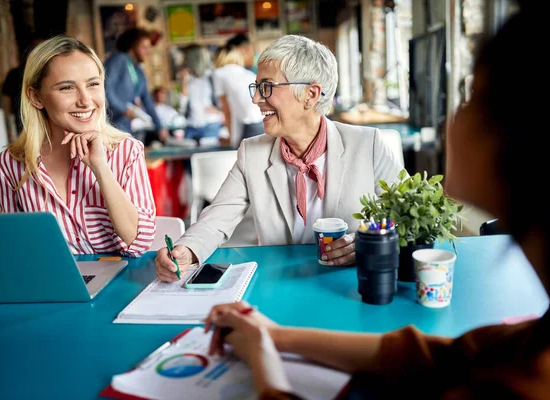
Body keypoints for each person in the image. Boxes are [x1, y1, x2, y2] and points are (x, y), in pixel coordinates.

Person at [203, 4, 550, 398]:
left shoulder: (527, 378)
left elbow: (406, 222)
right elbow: (443, 356)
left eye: (474, 100)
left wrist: (263, 356)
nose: (455, 117)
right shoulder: (524, 344)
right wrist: (277, 336)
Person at [154, 35, 403, 281]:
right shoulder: (252, 152)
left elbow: (410, 217)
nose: (255, 99)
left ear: (311, 94)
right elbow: (217, 218)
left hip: (352, 284)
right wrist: (186, 250)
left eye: (267, 87)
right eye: (257, 87)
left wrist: (367, 241)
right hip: (282, 283)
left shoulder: (367, 144)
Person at [0, 35, 157, 258]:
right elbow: (11, 250)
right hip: (50, 288)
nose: (86, 100)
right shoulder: (11, 163)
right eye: (67, 88)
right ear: (36, 97)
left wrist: (100, 167)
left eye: (93, 84)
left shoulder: (127, 151)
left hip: (121, 287)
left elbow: (139, 243)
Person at [104, 27, 168, 143]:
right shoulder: (119, 60)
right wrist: (123, 108)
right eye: (144, 47)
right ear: (132, 47)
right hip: (110, 125)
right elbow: (105, 89)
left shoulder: (139, 71)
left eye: (149, 48)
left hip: (125, 125)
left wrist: (160, 127)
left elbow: (148, 101)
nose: (148, 51)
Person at [213, 45, 264, 148]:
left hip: (248, 127)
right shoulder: (248, 74)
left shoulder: (218, 74)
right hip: (262, 124)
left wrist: (232, 140)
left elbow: (227, 110)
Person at [178, 44, 224, 142]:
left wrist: (218, 110)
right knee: (188, 156)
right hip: (191, 126)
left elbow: (223, 101)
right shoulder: (187, 79)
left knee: (208, 156)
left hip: (210, 124)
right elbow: (182, 107)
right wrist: (184, 82)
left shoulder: (211, 77)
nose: (183, 62)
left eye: (185, 59)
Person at [2, 36, 45, 135]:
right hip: (21, 119)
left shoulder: (49, 72)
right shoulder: (14, 74)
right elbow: (7, 101)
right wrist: (8, 122)